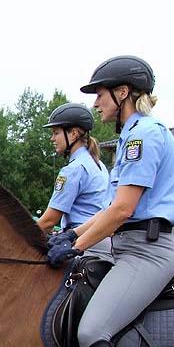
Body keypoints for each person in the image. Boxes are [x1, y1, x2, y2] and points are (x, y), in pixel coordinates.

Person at [49, 56, 174, 347]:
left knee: (91, 332)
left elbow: (123, 209)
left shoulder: (144, 134)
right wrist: (70, 239)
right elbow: (108, 210)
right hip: (124, 245)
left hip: (146, 250)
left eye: (100, 95)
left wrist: (76, 241)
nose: (97, 105)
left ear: (122, 92)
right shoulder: (129, 136)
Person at [37, 103, 111, 260]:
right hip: (101, 241)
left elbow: (49, 221)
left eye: (56, 133)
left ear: (73, 134)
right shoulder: (98, 164)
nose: (52, 138)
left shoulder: (73, 169)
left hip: (83, 243)